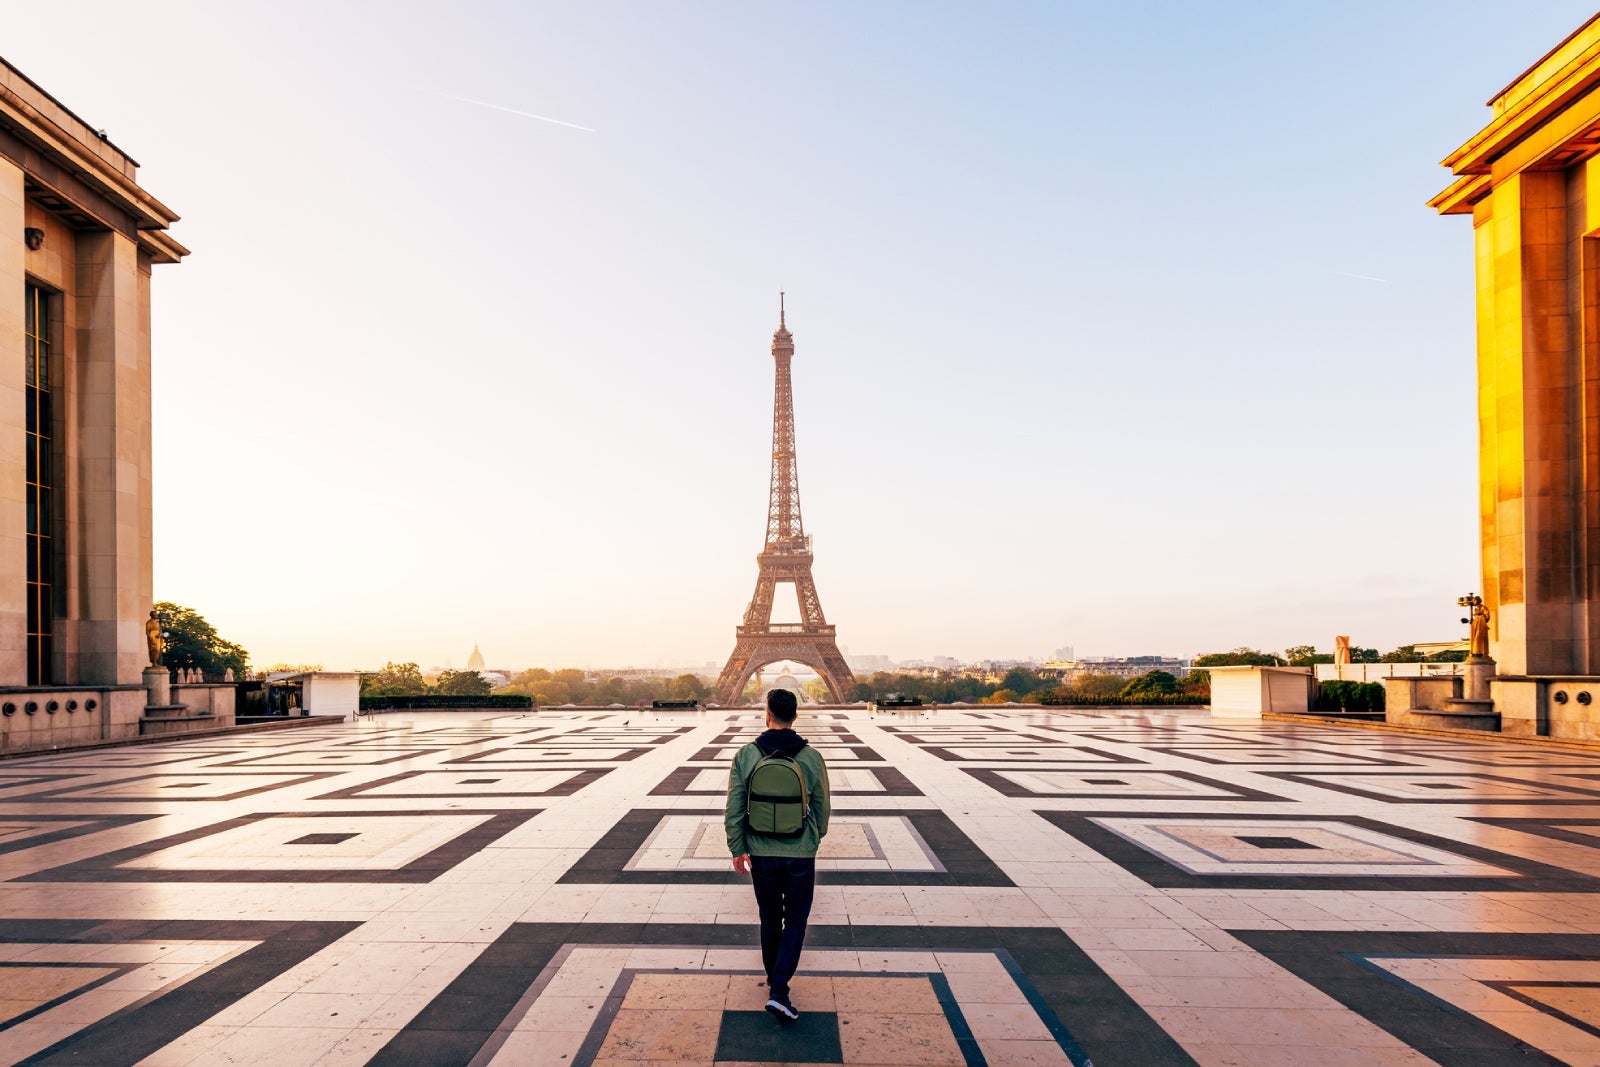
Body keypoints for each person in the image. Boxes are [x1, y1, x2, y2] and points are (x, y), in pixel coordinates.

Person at [725, 687, 830, 1023]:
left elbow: (735, 808)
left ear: (766, 714)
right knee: (796, 920)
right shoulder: (811, 757)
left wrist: (737, 846)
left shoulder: (746, 755)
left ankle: (776, 985)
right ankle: (779, 988)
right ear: (795, 715)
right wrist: (811, 840)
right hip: (800, 851)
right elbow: (822, 809)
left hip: (760, 850)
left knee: (770, 918)